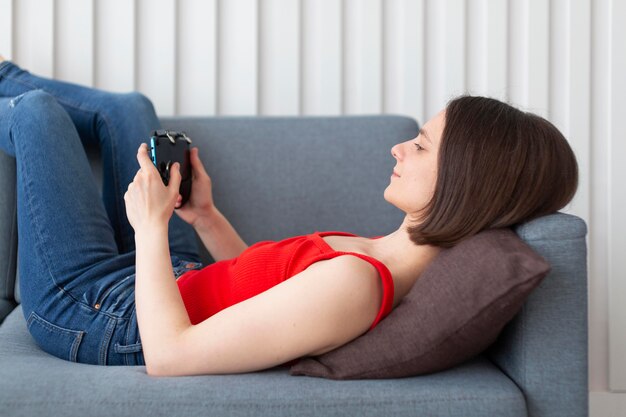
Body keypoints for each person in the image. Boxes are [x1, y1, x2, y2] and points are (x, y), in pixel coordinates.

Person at [0, 57, 578, 376]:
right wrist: (204, 217)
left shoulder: (355, 285)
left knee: (37, 116)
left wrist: (151, 230)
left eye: (421, 147)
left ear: (465, 183)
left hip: (100, 312)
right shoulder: (374, 253)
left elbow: (172, 356)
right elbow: (258, 287)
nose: (399, 149)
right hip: (165, 283)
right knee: (131, 111)